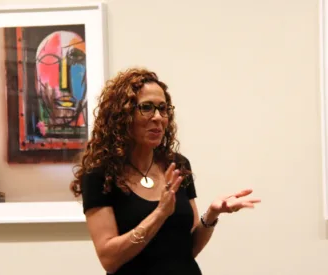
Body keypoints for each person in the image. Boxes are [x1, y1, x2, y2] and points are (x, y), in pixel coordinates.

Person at [69, 68, 261, 275]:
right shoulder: (100, 174)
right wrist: (159, 214)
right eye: (147, 108)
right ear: (122, 115)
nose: (158, 117)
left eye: (163, 108)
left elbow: (189, 249)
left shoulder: (178, 165)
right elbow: (109, 259)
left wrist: (212, 214)